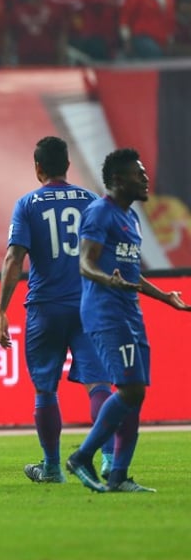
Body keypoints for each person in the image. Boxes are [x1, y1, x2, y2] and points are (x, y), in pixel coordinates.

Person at [66, 148, 191, 493]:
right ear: (119, 180)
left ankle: (119, 475)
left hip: (129, 312)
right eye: (139, 174)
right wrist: (109, 280)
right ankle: (82, 456)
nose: (146, 177)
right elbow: (86, 263)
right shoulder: (99, 213)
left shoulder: (130, 219)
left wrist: (165, 296)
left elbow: (131, 272)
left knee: (136, 394)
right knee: (131, 389)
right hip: (105, 313)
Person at [0, 137, 114, 483]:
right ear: (67, 165)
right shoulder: (92, 202)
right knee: (99, 384)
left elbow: (14, 258)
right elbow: (105, 255)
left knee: (46, 389)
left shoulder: (28, 204)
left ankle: (51, 468)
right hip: (88, 305)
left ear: (38, 168)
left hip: (46, 307)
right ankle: (107, 461)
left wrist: (1, 309)